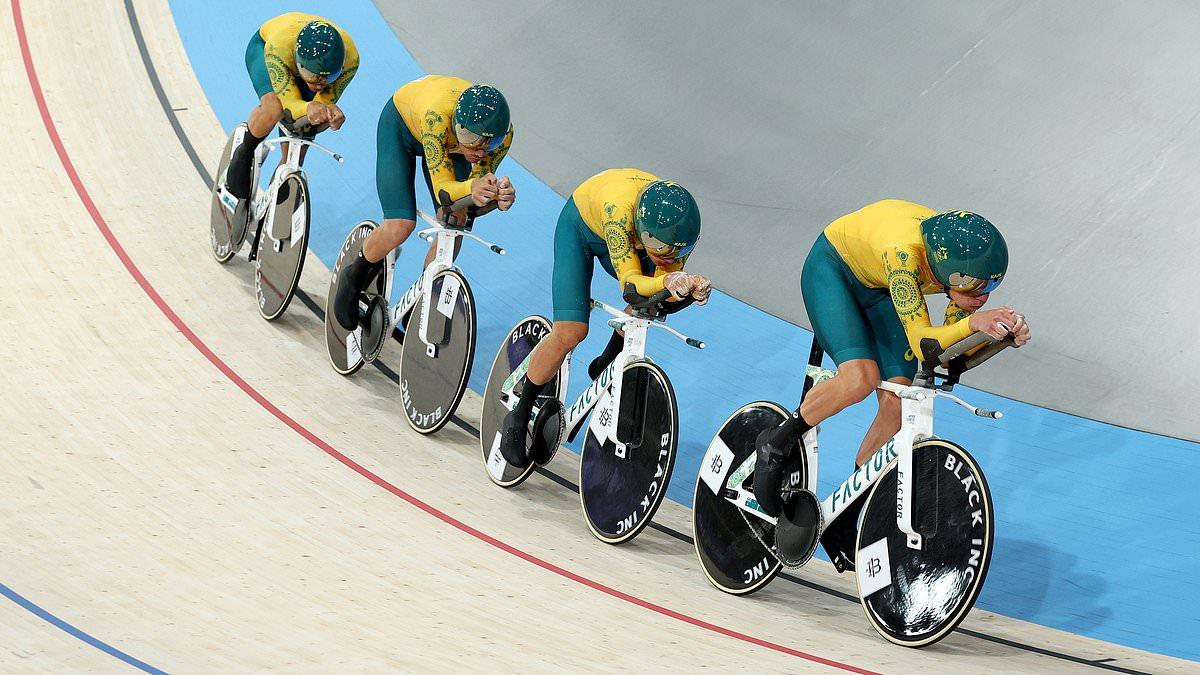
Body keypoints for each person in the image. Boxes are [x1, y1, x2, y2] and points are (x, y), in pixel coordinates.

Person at [753, 200, 1032, 517]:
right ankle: (775, 443)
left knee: (900, 399)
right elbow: (925, 342)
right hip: (833, 270)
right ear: (949, 273)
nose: (984, 296)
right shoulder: (902, 255)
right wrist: (974, 323)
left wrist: (1000, 338)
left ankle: (852, 507)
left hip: (878, 286)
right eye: (979, 285)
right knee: (860, 378)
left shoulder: (951, 266)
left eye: (992, 284)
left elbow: (947, 358)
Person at [498, 169, 712, 468]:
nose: (670, 256)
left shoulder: (671, 237)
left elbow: (663, 297)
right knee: (571, 332)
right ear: (645, 231)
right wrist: (669, 282)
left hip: (634, 237)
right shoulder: (619, 211)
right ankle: (519, 413)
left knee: (653, 301)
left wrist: (690, 290)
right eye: (663, 249)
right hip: (581, 229)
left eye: (680, 251)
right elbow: (631, 288)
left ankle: (607, 359)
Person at [333, 76, 516, 331]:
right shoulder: (437, 118)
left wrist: (496, 198)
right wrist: (474, 188)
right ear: (458, 124)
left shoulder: (503, 136)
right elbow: (445, 191)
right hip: (401, 127)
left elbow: (469, 198)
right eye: (471, 138)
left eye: (490, 143)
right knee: (400, 224)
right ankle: (353, 276)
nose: (480, 151)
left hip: (450, 147)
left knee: (458, 219)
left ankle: (422, 296)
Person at [223, 12, 359, 205]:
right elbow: (291, 103)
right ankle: (244, 151)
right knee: (274, 108)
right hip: (264, 49)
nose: (319, 84)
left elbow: (323, 100)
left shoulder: (351, 60)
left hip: (303, 62)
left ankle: (269, 206)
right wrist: (309, 106)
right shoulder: (279, 45)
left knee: (304, 132)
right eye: (312, 75)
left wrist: (330, 113)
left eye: (328, 77)